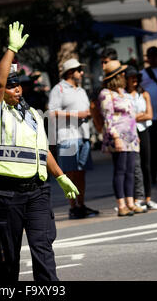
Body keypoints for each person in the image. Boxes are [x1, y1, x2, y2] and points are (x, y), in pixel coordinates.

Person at [0, 22, 79, 281]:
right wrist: (11, 49)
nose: (15, 88)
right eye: (9, 86)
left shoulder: (34, 115)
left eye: (18, 85)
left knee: (43, 249)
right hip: (6, 194)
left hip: (37, 192)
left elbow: (42, 151)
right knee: (10, 258)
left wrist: (60, 176)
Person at [48, 58, 99, 219]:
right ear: (70, 72)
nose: (82, 73)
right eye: (79, 70)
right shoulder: (59, 89)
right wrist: (78, 114)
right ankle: (73, 207)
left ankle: (81, 204)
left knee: (81, 173)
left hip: (83, 135)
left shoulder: (81, 90)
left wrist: (89, 114)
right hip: (68, 137)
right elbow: (52, 112)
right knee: (69, 174)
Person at [98, 61, 146, 217]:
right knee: (121, 170)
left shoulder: (124, 93)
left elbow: (132, 116)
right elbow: (108, 117)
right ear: (116, 77)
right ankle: (121, 205)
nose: (125, 76)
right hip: (117, 136)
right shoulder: (106, 94)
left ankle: (131, 203)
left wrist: (136, 135)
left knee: (131, 170)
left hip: (131, 136)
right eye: (122, 74)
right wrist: (116, 137)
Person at [125, 66, 157, 210]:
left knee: (146, 164)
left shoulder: (144, 94)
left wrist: (134, 117)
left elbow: (149, 115)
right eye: (130, 77)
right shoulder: (124, 95)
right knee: (132, 165)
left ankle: (148, 197)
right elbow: (125, 117)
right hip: (129, 132)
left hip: (143, 130)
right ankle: (133, 198)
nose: (134, 80)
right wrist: (137, 117)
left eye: (135, 77)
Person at [140, 47, 157, 184]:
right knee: (153, 148)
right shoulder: (143, 73)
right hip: (151, 118)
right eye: (150, 56)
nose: (153, 59)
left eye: (155, 56)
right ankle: (154, 174)